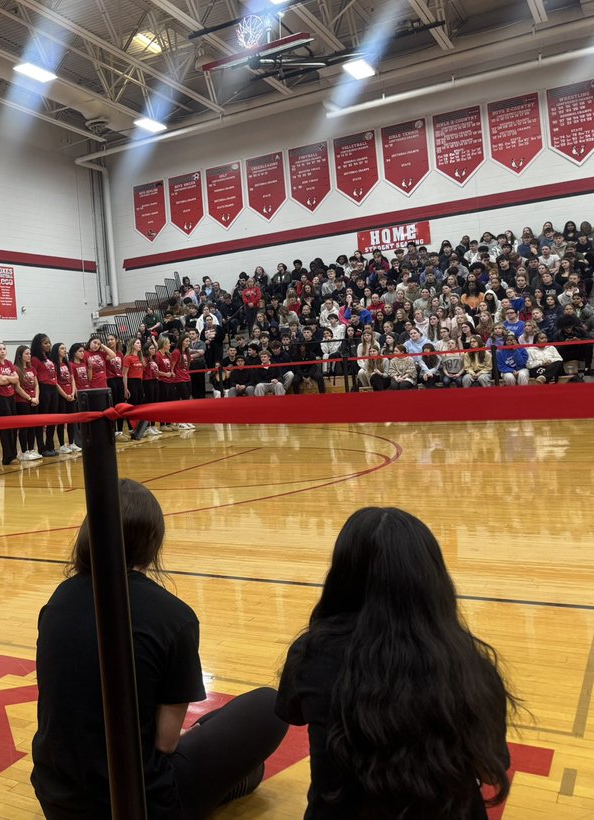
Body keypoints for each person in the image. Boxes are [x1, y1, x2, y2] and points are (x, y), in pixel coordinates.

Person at [32, 479, 288, 819]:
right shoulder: (174, 617)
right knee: (267, 705)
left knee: (215, 727)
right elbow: (166, 743)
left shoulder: (58, 601)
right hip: (137, 805)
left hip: (57, 798)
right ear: (153, 541)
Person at [277, 507, 514, 819]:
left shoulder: (311, 653)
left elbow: (289, 712)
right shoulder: (473, 666)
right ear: (433, 578)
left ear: (342, 575)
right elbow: (492, 766)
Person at [0, 342, 19, 467]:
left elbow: (17, 379)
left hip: (11, 395)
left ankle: (14, 454)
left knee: (14, 426)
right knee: (6, 427)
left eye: (4, 349)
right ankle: (7, 457)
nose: (2, 351)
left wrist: (6, 378)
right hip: (1, 397)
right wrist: (9, 378)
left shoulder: (9, 363)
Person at [31, 333, 60, 457]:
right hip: (44, 388)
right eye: (45, 343)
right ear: (39, 345)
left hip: (53, 388)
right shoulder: (35, 359)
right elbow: (34, 377)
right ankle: (41, 448)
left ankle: (50, 445)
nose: (48, 345)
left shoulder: (50, 358)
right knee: (42, 419)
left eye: (49, 342)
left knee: (52, 418)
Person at [13, 345, 42, 462]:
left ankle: (31, 449)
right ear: (20, 355)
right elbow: (17, 388)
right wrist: (30, 398)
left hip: (34, 400)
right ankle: (24, 452)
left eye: (30, 353)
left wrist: (36, 398)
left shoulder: (32, 369)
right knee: (24, 427)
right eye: (26, 353)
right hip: (22, 401)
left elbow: (36, 385)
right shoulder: (16, 369)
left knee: (33, 426)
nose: (29, 356)